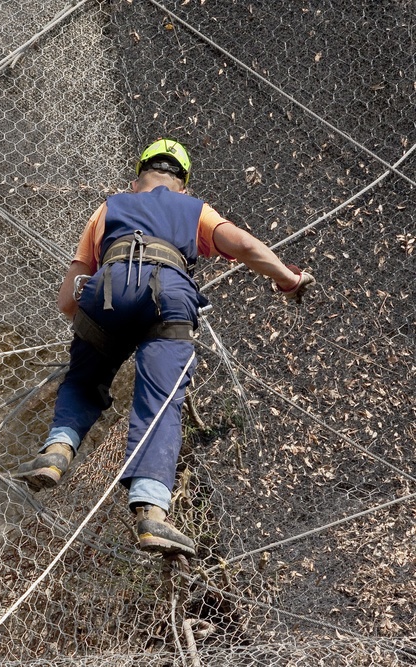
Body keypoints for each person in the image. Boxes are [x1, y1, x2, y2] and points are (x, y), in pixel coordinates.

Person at [17, 139, 314, 558]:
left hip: (106, 291)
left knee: (83, 381)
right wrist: (288, 279)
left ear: (135, 180)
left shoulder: (108, 209)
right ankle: (152, 515)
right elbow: (245, 246)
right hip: (169, 298)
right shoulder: (194, 211)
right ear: (184, 186)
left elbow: (67, 301)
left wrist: (103, 329)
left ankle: (56, 452)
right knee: (160, 403)